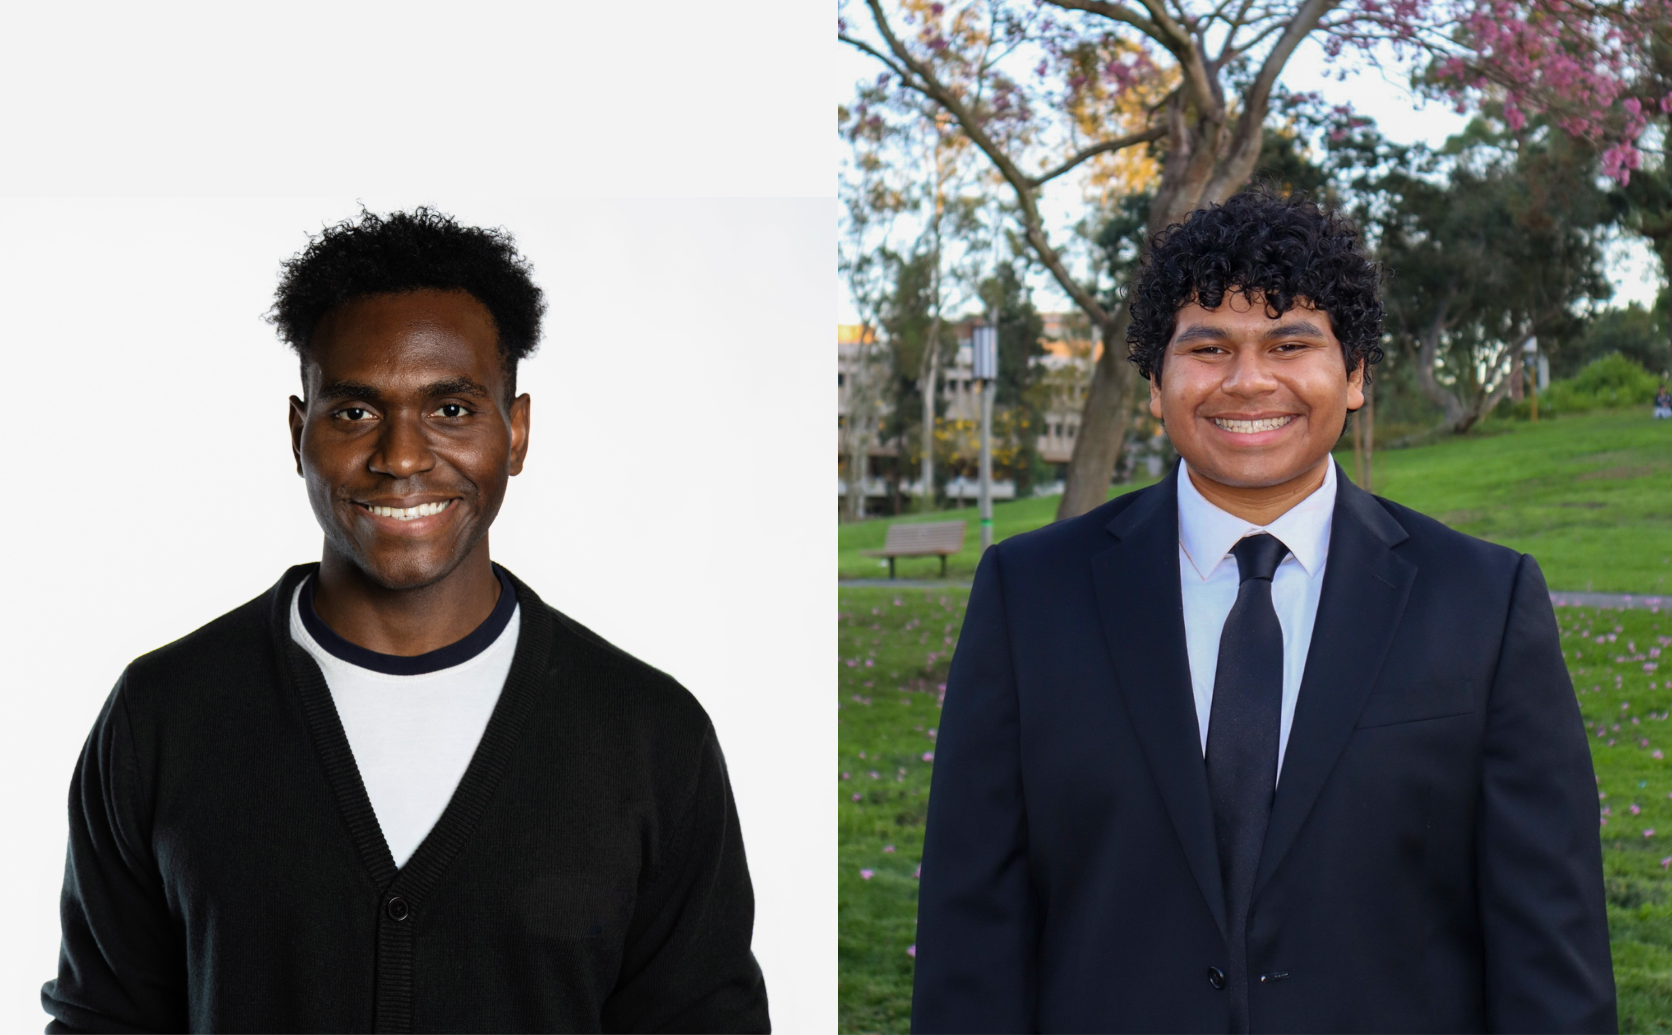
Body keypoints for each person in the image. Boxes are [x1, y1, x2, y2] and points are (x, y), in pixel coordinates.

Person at [41, 209, 770, 1033]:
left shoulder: (649, 735)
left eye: (451, 409)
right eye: (354, 413)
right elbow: (101, 1018)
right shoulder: (163, 714)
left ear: (516, 430)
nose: (402, 456)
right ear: (297, 431)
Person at [911, 191, 1614, 1034]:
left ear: (1353, 375)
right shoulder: (1028, 596)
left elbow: (1550, 947)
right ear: (1156, 383)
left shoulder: (1485, 602)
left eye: (1290, 343)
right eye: (1207, 347)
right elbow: (971, 930)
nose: (1248, 380)